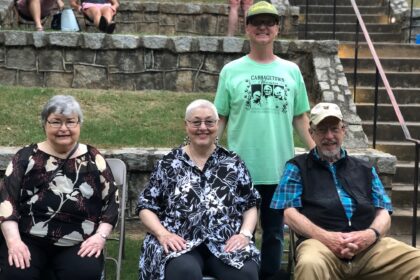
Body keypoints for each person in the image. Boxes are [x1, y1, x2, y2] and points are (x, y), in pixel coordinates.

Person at [214, 1, 315, 279]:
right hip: (238, 172)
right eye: (256, 21)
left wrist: (317, 152)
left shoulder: (291, 71)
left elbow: (300, 117)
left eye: (269, 22)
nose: (263, 27)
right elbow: (219, 117)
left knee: (273, 235)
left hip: (278, 170)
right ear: (246, 28)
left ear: (278, 29)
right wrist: (205, 152)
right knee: (236, 234)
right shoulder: (231, 71)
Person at [271, 102, 420, 279]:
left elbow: (384, 212)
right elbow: (288, 212)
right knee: (310, 264)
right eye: (322, 130)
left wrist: (369, 235)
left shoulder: (365, 168)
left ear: (344, 130)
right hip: (319, 245)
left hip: (369, 248)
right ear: (311, 133)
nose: (329, 136)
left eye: (334, 129)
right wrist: (327, 238)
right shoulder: (297, 167)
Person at [136, 99, 261, 280]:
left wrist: (245, 234)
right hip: (180, 242)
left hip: (224, 242)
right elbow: (146, 206)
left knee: (245, 274)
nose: (203, 127)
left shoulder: (233, 163)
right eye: (196, 122)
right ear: (186, 125)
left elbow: (250, 204)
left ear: (217, 125)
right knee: (185, 273)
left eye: (209, 122)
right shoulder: (169, 163)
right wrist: (163, 235)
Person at [0, 95, 119, 279]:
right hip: (28, 239)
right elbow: (7, 202)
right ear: (44, 124)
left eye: (70, 122)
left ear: (79, 124)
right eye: (56, 122)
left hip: (79, 242)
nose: (64, 128)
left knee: (83, 274)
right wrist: (13, 241)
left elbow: (112, 202)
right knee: (17, 273)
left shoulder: (94, 158)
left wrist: (100, 237)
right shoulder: (25, 157)